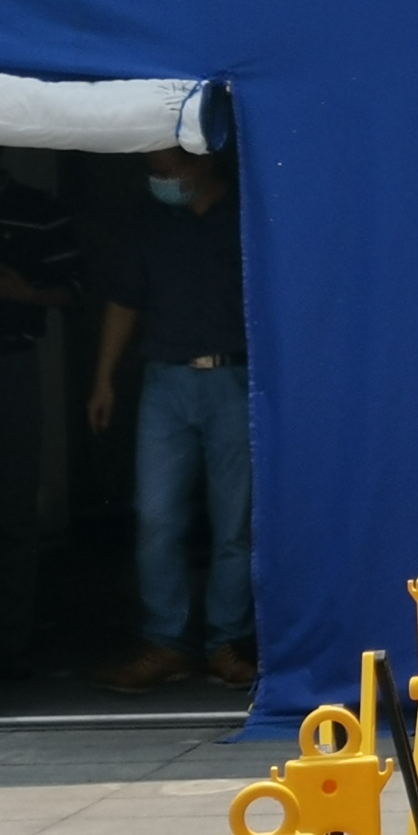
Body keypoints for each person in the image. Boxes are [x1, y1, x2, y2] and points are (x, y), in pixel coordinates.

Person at [90, 145, 254, 693]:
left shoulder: (246, 216)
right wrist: (103, 378)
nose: (157, 180)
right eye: (152, 171)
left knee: (235, 522)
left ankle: (225, 643)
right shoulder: (153, 223)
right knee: (157, 516)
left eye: (165, 170)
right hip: (165, 382)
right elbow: (125, 300)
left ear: (201, 161)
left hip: (234, 378)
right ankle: (166, 643)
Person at [0, 143, 81, 681]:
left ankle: (9, 643)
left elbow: (74, 290)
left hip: (10, 365)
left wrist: (23, 293)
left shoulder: (37, 208)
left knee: (15, 508)